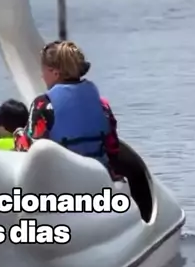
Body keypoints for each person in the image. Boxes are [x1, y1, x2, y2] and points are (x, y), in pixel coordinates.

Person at [13, 41, 121, 178]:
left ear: (55, 73)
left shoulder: (43, 105)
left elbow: (30, 151)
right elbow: (113, 147)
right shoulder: (102, 105)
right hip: (100, 176)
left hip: (63, 179)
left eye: (44, 70)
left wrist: (18, 136)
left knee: (19, 134)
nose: (42, 76)